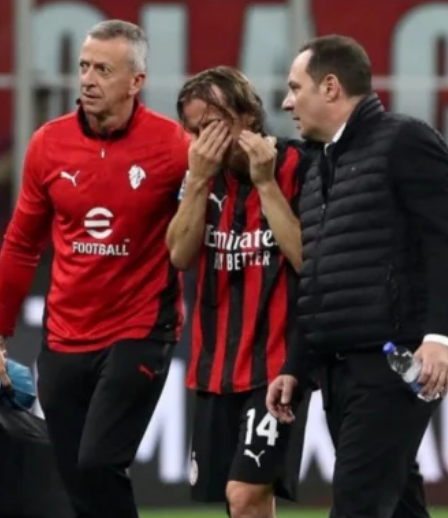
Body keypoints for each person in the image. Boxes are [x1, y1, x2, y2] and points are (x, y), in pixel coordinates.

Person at [0, 20, 190, 518]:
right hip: (64, 337)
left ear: (136, 81)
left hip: (140, 330)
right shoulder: (48, 144)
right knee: (75, 477)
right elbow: (21, 244)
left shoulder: (171, 146)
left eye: (103, 70)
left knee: (98, 461)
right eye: (84, 67)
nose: (88, 80)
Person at [267, 35, 448, 518]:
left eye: (295, 88)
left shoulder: (405, 141)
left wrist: (441, 337)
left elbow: (446, 242)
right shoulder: (320, 164)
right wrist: (297, 364)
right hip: (340, 367)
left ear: (330, 87)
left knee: (357, 504)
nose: (287, 102)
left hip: (395, 361)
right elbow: (322, 278)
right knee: (395, 506)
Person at [167, 66, 311, 518]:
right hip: (215, 365)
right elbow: (180, 255)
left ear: (248, 114)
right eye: (194, 131)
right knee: (240, 502)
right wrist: (196, 181)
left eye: (213, 125)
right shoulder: (198, 177)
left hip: (278, 365)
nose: (203, 141)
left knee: (246, 495)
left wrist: (265, 184)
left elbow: (307, 259)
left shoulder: (299, 164)